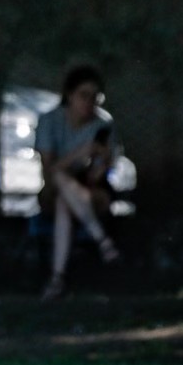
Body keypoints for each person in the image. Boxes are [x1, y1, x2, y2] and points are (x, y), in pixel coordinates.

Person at [34, 64, 121, 300]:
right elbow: (49, 172)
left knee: (66, 201)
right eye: (83, 95)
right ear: (69, 95)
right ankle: (101, 239)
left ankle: (57, 278)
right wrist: (80, 152)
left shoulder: (103, 124)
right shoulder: (50, 121)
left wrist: (100, 163)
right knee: (61, 181)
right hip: (55, 188)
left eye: (95, 97)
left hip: (90, 192)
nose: (89, 102)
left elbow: (105, 173)